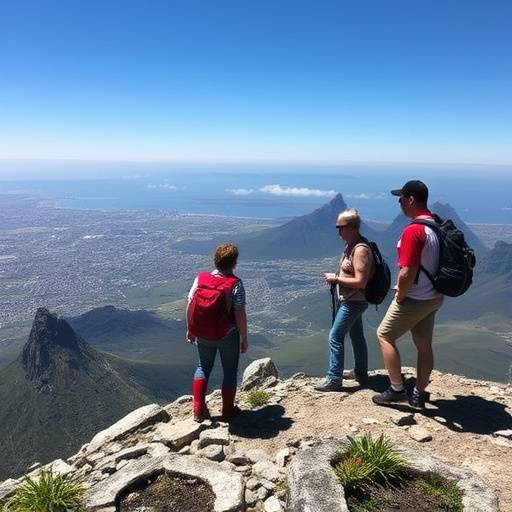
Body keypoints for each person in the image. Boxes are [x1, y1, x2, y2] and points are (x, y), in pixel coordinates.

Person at [373, 180, 443, 410]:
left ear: (411, 199)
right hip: (434, 296)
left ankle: (396, 390)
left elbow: (407, 271)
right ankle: (419, 395)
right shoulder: (436, 225)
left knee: (384, 335)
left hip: (414, 298)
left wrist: (400, 295)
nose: (399, 203)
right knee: (424, 344)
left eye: (401, 199)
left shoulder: (414, 231)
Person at [314, 208, 374, 392]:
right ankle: (361, 373)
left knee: (335, 336)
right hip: (352, 299)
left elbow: (361, 281)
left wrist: (336, 279)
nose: (338, 231)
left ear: (352, 227)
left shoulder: (360, 249)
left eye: (341, 227)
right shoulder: (352, 245)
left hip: (354, 300)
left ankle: (334, 379)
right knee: (356, 336)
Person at [186, 243, 248, 422]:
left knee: (203, 367)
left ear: (215, 260)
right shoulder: (235, 284)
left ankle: (198, 411)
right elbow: (239, 313)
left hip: (203, 334)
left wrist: (191, 329)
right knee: (230, 371)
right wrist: (244, 337)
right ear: (234, 263)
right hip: (227, 334)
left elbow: (190, 303)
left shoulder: (201, 278)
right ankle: (228, 411)